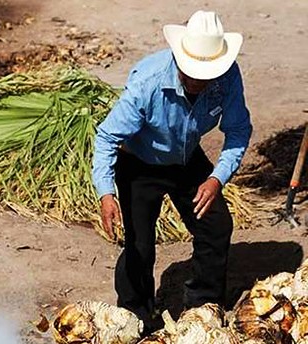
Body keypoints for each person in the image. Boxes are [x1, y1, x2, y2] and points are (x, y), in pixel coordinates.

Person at [91, 10, 252, 332]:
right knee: (139, 244)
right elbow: (107, 137)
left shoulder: (227, 77)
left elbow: (238, 131)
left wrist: (216, 178)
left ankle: (201, 309)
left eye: (205, 75)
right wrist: (106, 193)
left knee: (216, 225)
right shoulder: (147, 84)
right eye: (190, 73)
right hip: (138, 163)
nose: (197, 82)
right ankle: (135, 317)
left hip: (187, 159)